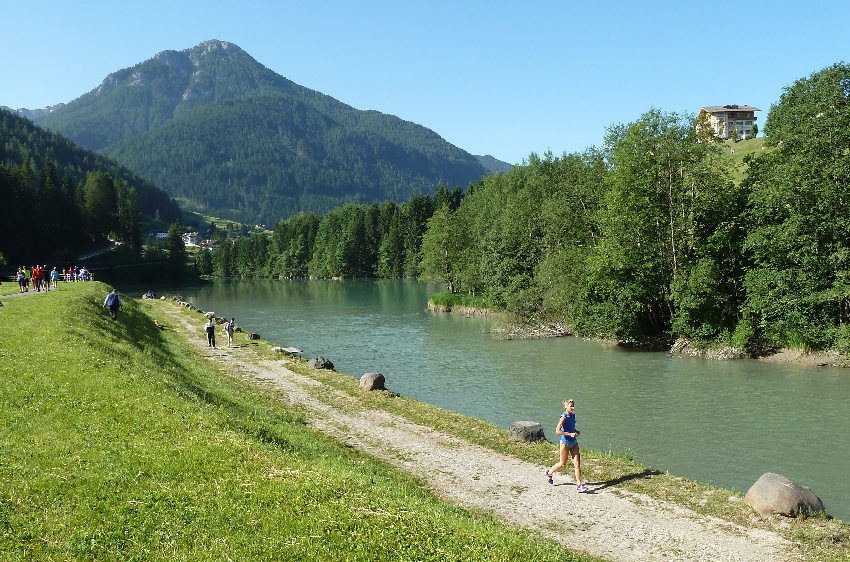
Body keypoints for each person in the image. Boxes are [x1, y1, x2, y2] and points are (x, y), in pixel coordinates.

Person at [546, 399, 587, 492]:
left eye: (573, 405)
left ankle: (579, 485)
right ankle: (549, 473)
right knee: (563, 464)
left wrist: (575, 431)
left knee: (577, 464)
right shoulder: (563, 417)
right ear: (566, 407)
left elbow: (571, 427)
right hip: (565, 442)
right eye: (571, 406)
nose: (573, 407)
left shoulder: (573, 415)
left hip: (573, 442)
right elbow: (557, 431)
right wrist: (570, 434)